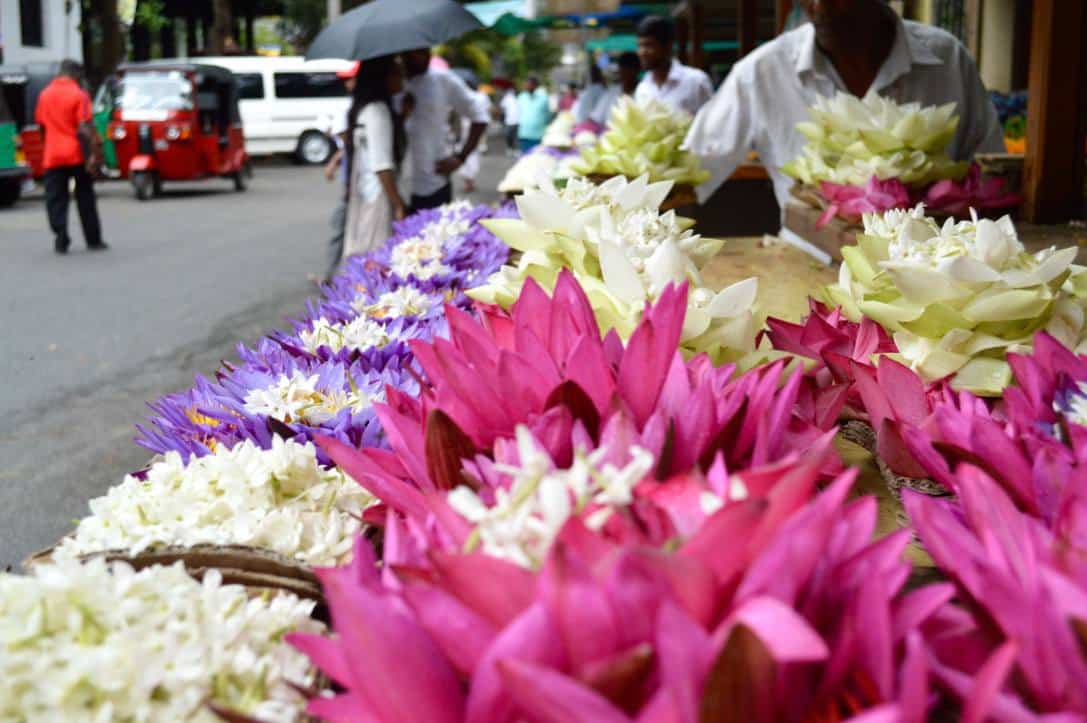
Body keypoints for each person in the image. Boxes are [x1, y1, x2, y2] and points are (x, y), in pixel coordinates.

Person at [684, 0, 1005, 209]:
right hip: (806, 268)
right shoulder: (760, 73)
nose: (818, 7)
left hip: (926, 272)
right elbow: (691, 170)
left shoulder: (947, 59)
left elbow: (994, 171)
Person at [400, 48, 489, 211]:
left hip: (434, 184)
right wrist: (403, 112)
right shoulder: (395, 82)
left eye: (425, 51)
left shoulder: (442, 80)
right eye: (414, 52)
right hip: (398, 189)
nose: (424, 56)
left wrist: (461, 157)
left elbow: (480, 116)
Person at [35, 59, 106, 254]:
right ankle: (93, 240)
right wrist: (94, 153)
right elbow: (84, 126)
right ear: (76, 74)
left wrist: (46, 145)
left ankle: (60, 235)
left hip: (53, 155)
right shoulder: (79, 95)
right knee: (85, 197)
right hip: (77, 154)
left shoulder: (44, 95)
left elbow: (41, 125)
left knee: (55, 198)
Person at [342, 55, 408, 260]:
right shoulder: (378, 111)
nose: (402, 79)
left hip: (364, 190)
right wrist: (398, 203)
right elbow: (382, 165)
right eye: (398, 73)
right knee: (377, 255)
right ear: (383, 77)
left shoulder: (364, 109)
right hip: (377, 194)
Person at [321, 61, 359, 281]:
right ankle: (330, 275)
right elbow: (348, 148)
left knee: (345, 229)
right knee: (340, 228)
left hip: (357, 187)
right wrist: (334, 162)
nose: (348, 84)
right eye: (345, 80)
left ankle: (339, 278)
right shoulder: (352, 108)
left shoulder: (360, 110)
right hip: (351, 185)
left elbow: (353, 149)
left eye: (351, 79)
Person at [634, 15, 714, 117]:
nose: (642, 52)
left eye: (649, 45)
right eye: (640, 46)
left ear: (668, 46)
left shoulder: (696, 81)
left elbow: (712, 124)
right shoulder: (642, 89)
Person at [591, 52, 642, 127]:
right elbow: (595, 118)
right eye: (623, 69)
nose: (626, 73)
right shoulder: (612, 92)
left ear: (638, 70)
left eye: (630, 69)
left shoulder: (644, 92)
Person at [516, 76, 551, 153]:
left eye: (529, 84)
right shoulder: (521, 97)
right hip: (524, 134)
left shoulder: (543, 98)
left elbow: (548, 116)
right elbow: (518, 114)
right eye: (525, 84)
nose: (526, 86)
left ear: (535, 85)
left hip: (538, 135)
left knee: (537, 157)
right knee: (525, 158)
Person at [500, 86, 520, 156]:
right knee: (511, 136)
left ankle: (514, 149)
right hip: (511, 121)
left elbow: (502, 108)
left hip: (515, 120)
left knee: (513, 136)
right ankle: (510, 148)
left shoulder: (517, 98)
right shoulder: (507, 99)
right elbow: (502, 107)